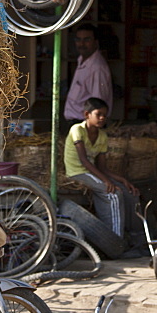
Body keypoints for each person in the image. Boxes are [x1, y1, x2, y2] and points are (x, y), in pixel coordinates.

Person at [64, 97, 140, 247]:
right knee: (113, 194)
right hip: (77, 172)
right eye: (98, 114)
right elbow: (84, 161)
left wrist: (121, 180)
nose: (102, 118)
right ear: (87, 114)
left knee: (129, 193)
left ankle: (135, 236)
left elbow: (102, 167)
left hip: (92, 172)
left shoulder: (103, 136)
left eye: (105, 115)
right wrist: (107, 182)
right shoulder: (77, 130)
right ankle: (114, 242)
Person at [63, 23, 113, 123]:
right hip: (76, 124)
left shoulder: (97, 67)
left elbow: (98, 105)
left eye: (87, 40)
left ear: (96, 42)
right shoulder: (82, 60)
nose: (81, 44)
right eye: (78, 40)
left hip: (85, 126)